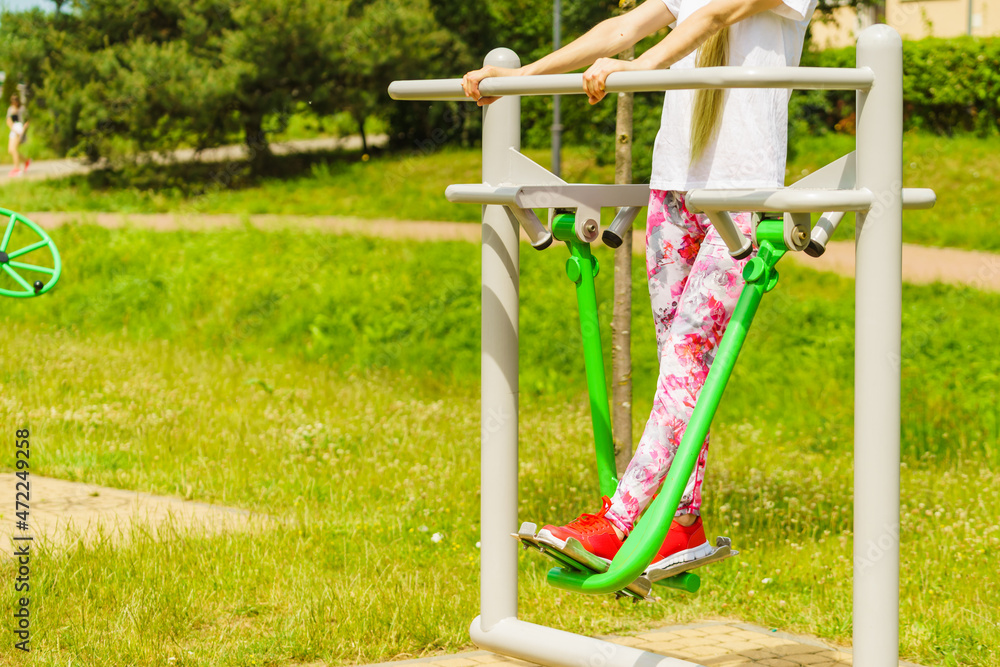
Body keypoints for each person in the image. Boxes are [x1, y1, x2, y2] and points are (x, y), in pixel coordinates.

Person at [462, 0, 817, 570]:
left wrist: (640, 68)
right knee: (681, 371)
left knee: (687, 358)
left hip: (743, 191)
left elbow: (717, 17)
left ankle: (620, 519)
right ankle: (683, 523)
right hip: (673, 187)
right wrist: (523, 77)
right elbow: (622, 26)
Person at [7, 94, 31, 177]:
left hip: (20, 129)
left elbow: (27, 119)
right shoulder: (10, 109)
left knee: (14, 149)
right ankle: (26, 161)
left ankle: (17, 169)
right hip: (13, 129)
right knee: (10, 150)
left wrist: (23, 129)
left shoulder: (22, 109)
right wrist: (13, 129)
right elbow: (8, 120)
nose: (14, 102)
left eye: (16, 100)